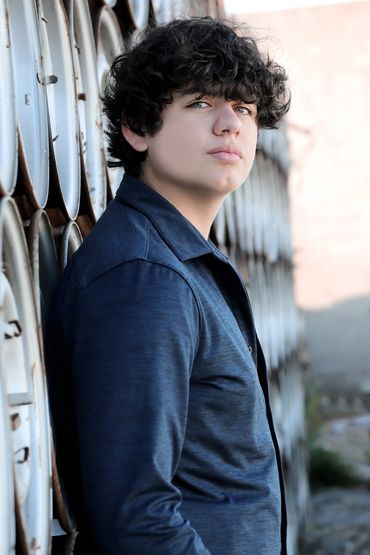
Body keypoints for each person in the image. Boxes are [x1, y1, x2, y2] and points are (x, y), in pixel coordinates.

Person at [46, 16, 290, 555]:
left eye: (244, 108)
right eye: (201, 102)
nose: (230, 123)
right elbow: (137, 517)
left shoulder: (180, 259)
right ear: (138, 127)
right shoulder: (145, 278)